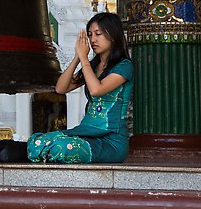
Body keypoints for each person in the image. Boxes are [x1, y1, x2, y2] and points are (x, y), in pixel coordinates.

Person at [27, 12, 133, 163]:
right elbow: (61, 88)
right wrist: (77, 57)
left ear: (113, 35)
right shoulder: (93, 66)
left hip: (111, 141)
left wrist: (84, 59)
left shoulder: (124, 66)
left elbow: (96, 90)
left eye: (98, 34)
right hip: (86, 133)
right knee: (36, 142)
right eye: (90, 35)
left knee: (63, 147)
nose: (92, 40)